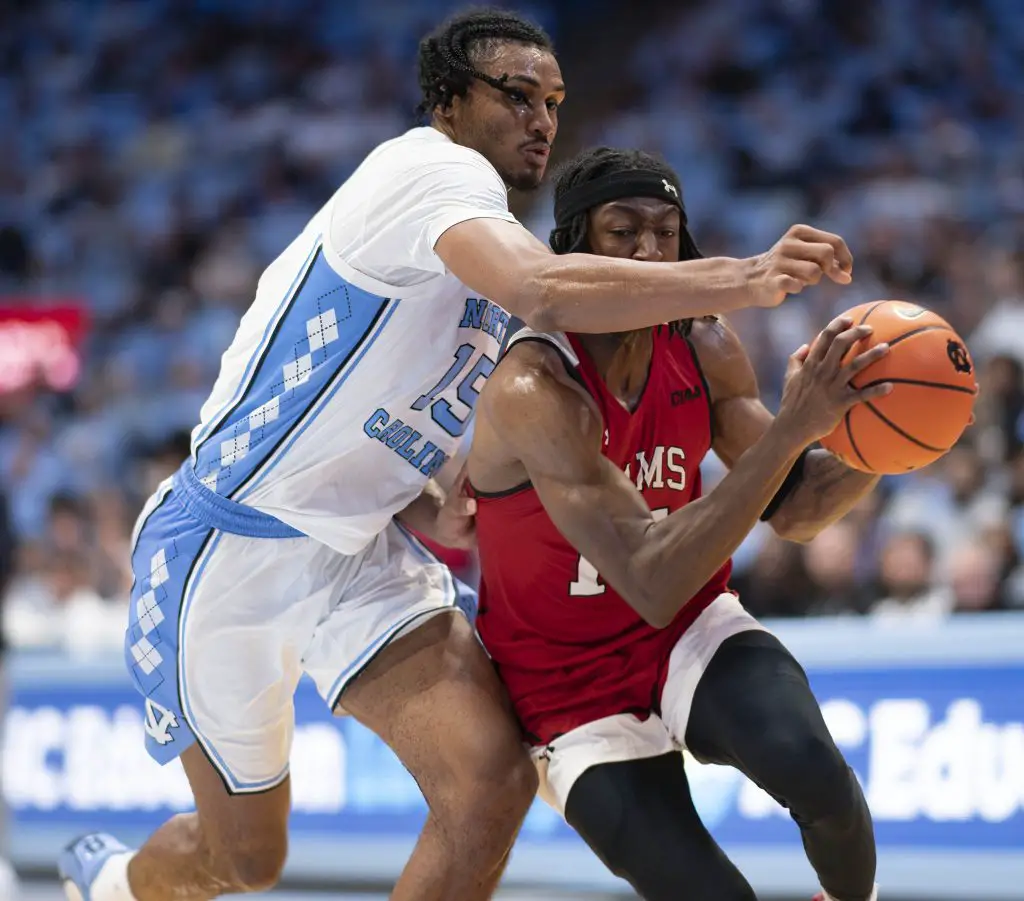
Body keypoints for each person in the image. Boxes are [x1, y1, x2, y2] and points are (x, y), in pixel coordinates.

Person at [58, 8, 859, 900]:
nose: (542, 119)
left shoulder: (486, 240)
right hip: (232, 546)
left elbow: (393, 391)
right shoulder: (425, 171)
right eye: (517, 95)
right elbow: (541, 288)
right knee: (247, 859)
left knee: (491, 784)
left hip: (359, 550)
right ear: (447, 102)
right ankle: (118, 883)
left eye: (553, 101)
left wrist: (431, 490)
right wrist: (745, 276)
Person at [468, 147, 883, 901]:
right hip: (565, 684)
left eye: (665, 232)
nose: (650, 252)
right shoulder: (534, 385)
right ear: (576, 247)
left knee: (819, 777)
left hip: (689, 631)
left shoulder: (704, 344)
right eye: (623, 231)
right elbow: (650, 578)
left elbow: (796, 508)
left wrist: (888, 436)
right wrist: (796, 427)